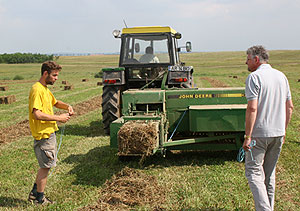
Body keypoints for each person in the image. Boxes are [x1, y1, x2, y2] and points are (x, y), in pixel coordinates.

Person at [243, 45, 293, 211]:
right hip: (278, 133)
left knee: (254, 173)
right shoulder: (281, 76)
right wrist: (283, 131)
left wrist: (247, 136)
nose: (246, 62)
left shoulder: (254, 78)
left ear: (256, 59)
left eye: (248, 59)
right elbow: (290, 107)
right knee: (269, 175)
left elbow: (252, 108)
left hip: (259, 134)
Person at [28, 61, 74, 204]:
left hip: (49, 133)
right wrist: (58, 118)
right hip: (43, 134)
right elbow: (37, 114)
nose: (56, 78)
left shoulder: (45, 89)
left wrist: (67, 106)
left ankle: (35, 193)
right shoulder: (37, 89)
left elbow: (55, 102)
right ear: (45, 73)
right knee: (45, 167)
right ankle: (39, 199)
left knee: (46, 165)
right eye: (54, 75)